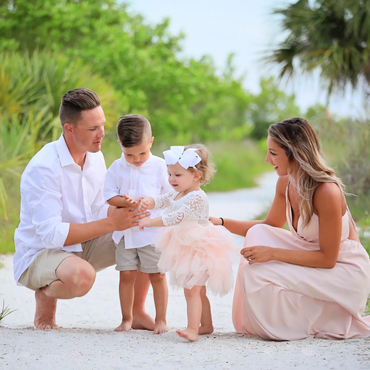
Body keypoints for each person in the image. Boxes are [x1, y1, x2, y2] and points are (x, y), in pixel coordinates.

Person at [211, 117, 370, 340]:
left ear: (295, 153)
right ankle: (293, 316)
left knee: (257, 269)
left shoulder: (326, 192)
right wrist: (221, 222)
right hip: (313, 259)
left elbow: (328, 259)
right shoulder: (285, 182)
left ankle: (315, 318)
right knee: (258, 236)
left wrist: (273, 254)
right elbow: (268, 227)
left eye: (273, 153)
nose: (267, 159)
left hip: (343, 271)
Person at [13, 88, 153, 330]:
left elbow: (100, 207)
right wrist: (111, 223)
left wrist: (124, 210)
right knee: (82, 278)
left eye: (102, 125)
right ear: (69, 129)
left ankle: (137, 312)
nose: (102, 134)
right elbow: (51, 235)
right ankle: (46, 295)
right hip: (41, 254)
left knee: (143, 233)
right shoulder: (44, 168)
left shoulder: (95, 156)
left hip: (83, 246)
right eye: (93, 129)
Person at [137, 144, 236, 342]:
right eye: (170, 174)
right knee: (197, 289)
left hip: (201, 248)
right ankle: (206, 325)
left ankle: (193, 329)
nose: (172, 179)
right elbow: (163, 200)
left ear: (196, 176)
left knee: (192, 289)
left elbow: (176, 217)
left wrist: (149, 222)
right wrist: (149, 202)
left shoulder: (197, 197)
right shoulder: (179, 192)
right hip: (186, 248)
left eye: (177, 175)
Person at [103, 114, 172, 334]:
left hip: (151, 233)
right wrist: (125, 202)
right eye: (130, 154)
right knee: (126, 274)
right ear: (120, 145)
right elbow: (109, 196)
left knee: (157, 275)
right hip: (126, 235)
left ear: (151, 141)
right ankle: (127, 319)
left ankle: (161, 319)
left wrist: (151, 202)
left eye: (142, 152)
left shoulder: (160, 166)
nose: (137, 159)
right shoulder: (116, 167)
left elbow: (171, 196)